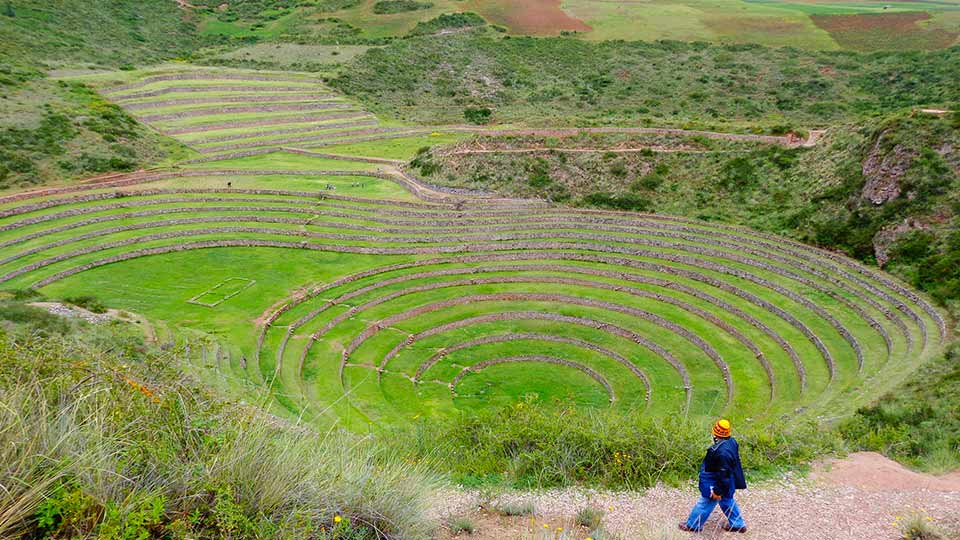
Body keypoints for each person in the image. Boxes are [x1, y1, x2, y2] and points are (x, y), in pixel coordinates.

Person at [679, 419, 748, 533]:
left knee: (706, 501)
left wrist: (717, 491)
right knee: (727, 499)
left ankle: (693, 525)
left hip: (716, 480)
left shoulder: (722, 453)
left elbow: (723, 474)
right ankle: (737, 524)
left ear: (716, 433)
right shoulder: (732, 442)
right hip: (727, 479)